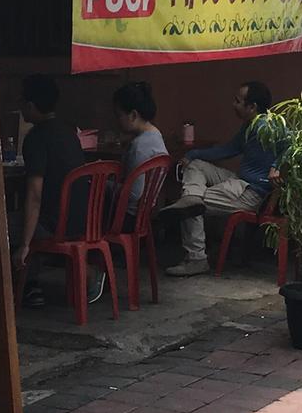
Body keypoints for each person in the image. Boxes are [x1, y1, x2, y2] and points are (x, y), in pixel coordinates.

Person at [162, 80, 283, 277]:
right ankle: (192, 196)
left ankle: (196, 259)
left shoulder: (267, 125)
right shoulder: (249, 126)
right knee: (196, 166)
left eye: (238, 101)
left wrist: (276, 167)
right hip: (239, 180)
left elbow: (294, 145)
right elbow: (227, 150)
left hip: (250, 191)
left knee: (184, 208)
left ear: (252, 107)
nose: (233, 105)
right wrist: (192, 154)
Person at [13, 73, 103, 307]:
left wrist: (24, 244)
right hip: (84, 221)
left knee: (1, 225)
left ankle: (28, 286)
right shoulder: (69, 133)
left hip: (55, 226)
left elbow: (34, 195)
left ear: (30, 106)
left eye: (22, 102)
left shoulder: (36, 139)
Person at [112, 81, 169, 219]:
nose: (116, 120)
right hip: (146, 214)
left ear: (133, 115)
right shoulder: (156, 135)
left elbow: (133, 194)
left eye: (119, 115)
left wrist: (103, 184)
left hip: (128, 217)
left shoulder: (139, 147)